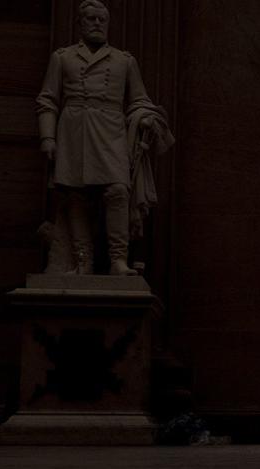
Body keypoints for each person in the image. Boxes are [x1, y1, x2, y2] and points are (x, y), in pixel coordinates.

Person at [36, 0, 171, 275]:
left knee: (118, 191)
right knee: (75, 195)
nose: (97, 24)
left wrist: (145, 116)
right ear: (80, 23)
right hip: (74, 133)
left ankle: (118, 260)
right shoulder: (62, 58)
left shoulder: (124, 61)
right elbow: (47, 100)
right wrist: (47, 137)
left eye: (102, 19)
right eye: (91, 19)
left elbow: (139, 100)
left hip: (111, 133)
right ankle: (82, 261)